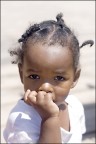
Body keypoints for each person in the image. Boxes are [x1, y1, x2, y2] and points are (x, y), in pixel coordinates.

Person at [3, 13, 94, 143]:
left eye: (59, 78)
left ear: (75, 78)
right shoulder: (21, 120)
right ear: (21, 73)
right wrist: (49, 118)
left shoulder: (75, 106)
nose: (45, 87)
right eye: (34, 76)